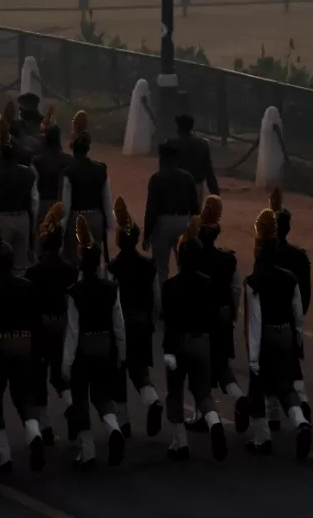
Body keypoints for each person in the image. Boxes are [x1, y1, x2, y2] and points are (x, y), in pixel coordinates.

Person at [241, 208, 310, 460]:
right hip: (285, 334)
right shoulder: (290, 278)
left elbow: (254, 321)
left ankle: (262, 438)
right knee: (285, 385)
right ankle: (301, 422)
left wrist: (253, 358)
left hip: (265, 336)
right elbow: (298, 314)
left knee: (257, 389)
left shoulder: (253, 282)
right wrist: (298, 341)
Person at [0, 223, 44, 474]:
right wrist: (35, 353)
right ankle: (33, 432)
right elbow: (36, 323)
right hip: (23, 345)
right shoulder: (27, 287)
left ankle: (3, 456)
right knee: (23, 398)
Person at [62, 215, 126, 468]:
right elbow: (118, 323)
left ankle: (87, 451)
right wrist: (121, 353)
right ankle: (113, 429)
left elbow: (73, 331)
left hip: (84, 348)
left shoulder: (74, 293)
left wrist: (66, 363)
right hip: (106, 345)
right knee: (102, 394)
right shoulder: (111, 289)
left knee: (80, 399)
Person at [161, 220, 226, 463]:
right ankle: (215, 422)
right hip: (202, 341)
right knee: (203, 392)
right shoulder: (207, 283)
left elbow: (168, 321)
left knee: (175, 393)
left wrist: (168, 350)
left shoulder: (170, 286)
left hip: (178, 344)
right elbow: (214, 317)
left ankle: (180, 443)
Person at [108, 196, 162, 437]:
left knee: (118, 373)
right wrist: (151, 319)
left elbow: (110, 302)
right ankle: (152, 402)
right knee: (140, 371)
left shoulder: (113, 268)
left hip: (121, 324)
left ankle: (124, 422)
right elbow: (157, 299)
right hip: (142, 322)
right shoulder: (149, 266)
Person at [25, 203, 76, 448]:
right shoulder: (70, 270)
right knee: (59, 374)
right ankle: (71, 405)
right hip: (62, 323)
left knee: (37, 378)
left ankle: (44, 427)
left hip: (41, 325)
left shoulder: (33, 272)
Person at [196, 196, 244, 425]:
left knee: (200, 368)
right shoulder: (228, 259)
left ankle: (203, 417)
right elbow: (236, 290)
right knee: (222, 366)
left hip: (203, 318)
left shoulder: (193, 258)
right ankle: (239, 398)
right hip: (223, 315)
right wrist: (233, 314)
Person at [270, 188, 312, 421]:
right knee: (292, 364)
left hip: (270, 319)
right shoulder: (299, 256)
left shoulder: (267, 256)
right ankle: (303, 400)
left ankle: (272, 417)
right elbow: (303, 294)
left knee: (268, 370)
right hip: (291, 318)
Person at [0, 118, 38, 272]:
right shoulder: (29, 174)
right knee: (20, 265)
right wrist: (33, 224)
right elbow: (34, 202)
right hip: (23, 219)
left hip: (2, 220)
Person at [143, 142, 198, 285]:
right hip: (184, 222)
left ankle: (162, 302)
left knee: (161, 268)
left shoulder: (157, 178)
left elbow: (151, 209)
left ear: (163, 159)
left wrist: (147, 235)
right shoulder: (188, 177)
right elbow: (195, 208)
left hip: (163, 222)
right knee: (185, 266)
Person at [61, 113, 113, 263]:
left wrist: (62, 229)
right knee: (94, 261)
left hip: (75, 219)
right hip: (96, 218)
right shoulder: (100, 169)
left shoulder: (69, 172)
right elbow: (107, 199)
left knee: (75, 261)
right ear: (88, 148)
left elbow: (66, 204)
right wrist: (108, 224)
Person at [166, 110, 219, 207]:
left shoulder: (170, 144)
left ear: (178, 128)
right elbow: (208, 170)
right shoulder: (202, 144)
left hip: (176, 186)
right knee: (194, 217)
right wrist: (215, 192)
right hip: (195, 186)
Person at [30, 112, 71, 231]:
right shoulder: (68, 160)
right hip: (61, 205)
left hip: (42, 204)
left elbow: (34, 189)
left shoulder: (37, 160)